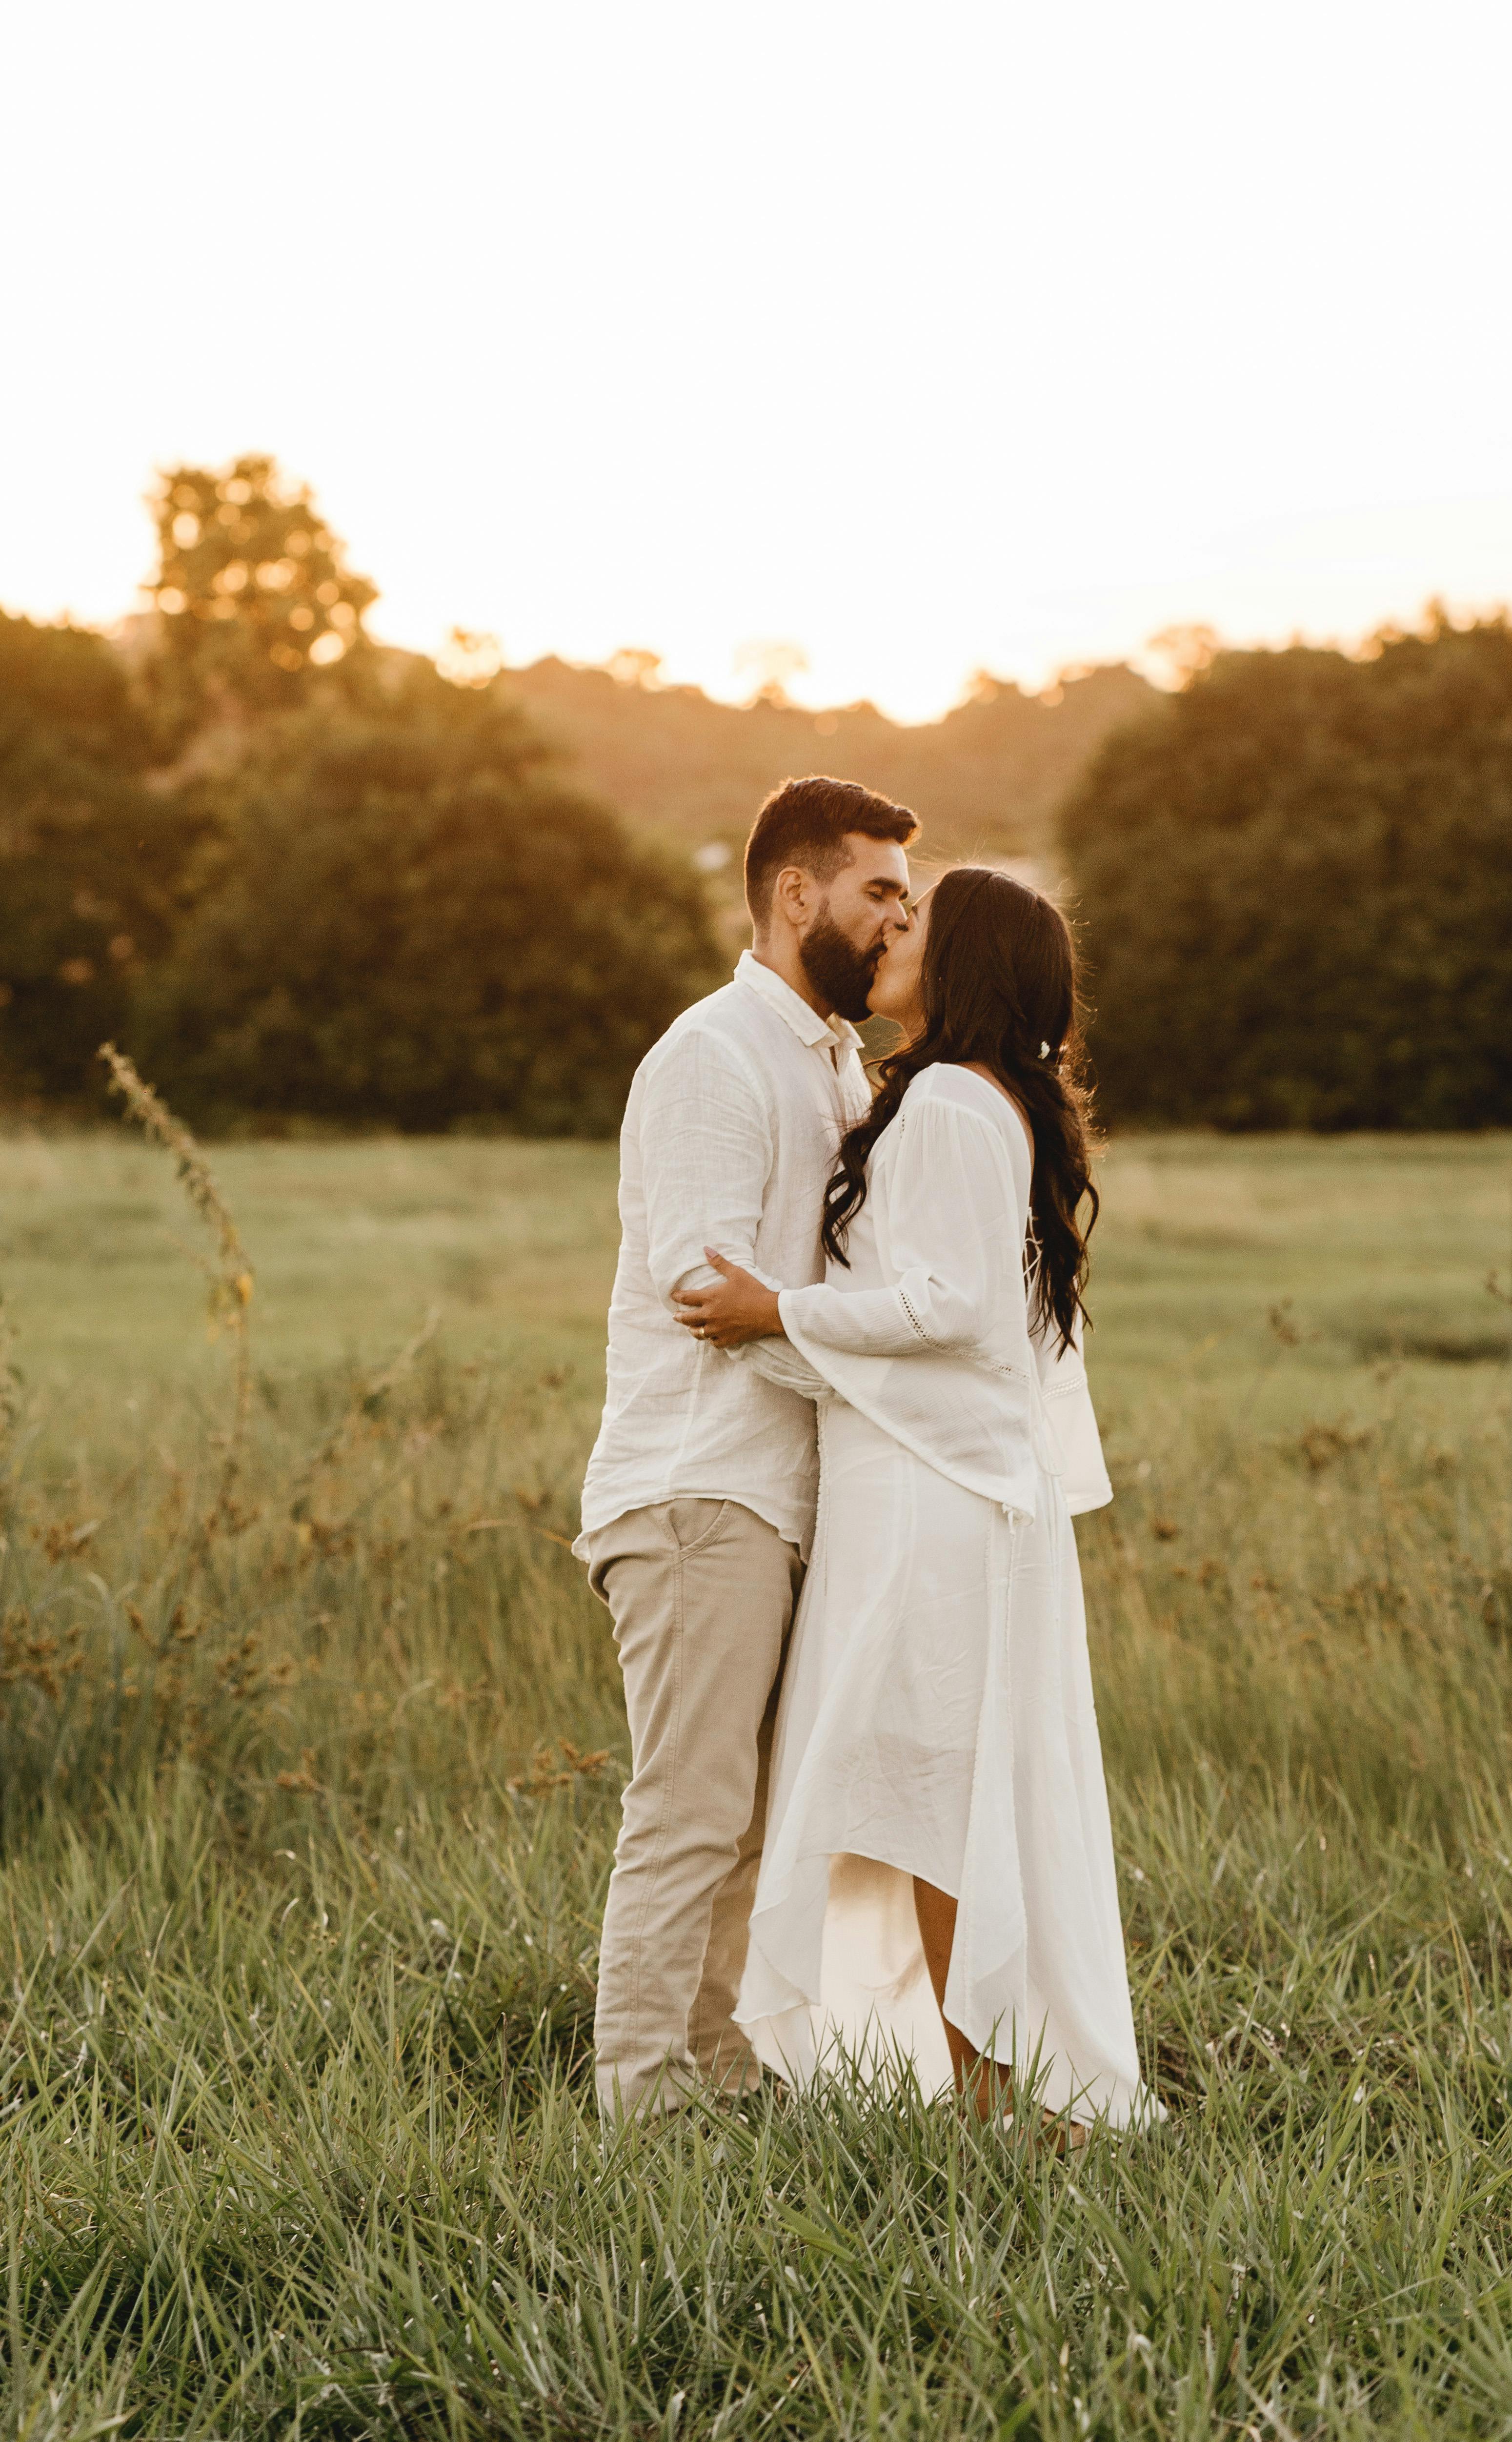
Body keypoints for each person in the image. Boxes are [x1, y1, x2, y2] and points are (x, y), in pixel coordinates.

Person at [674, 866, 1144, 2133]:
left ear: (963, 961)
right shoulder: (982, 1098)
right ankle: (989, 2088)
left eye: (916, 919)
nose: (891, 930)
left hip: (933, 1501)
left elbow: (954, 1310)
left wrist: (776, 1309)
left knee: (935, 1791)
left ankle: (990, 2103)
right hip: (942, 1487)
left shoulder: (944, 1100)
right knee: (942, 1788)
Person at [576, 774, 918, 2120]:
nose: (898, 918)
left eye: (904, 896)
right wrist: (877, 1386)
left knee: (764, 1823)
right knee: (692, 1811)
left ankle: (717, 2082)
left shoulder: (833, 1061)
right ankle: (640, 2105)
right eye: (878, 890)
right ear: (796, 892)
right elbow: (702, 1287)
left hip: (788, 1494)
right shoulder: (713, 1053)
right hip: (697, 1485)